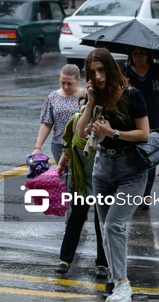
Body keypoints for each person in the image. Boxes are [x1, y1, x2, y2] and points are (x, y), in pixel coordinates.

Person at [77, 48, 150, 302]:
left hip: (132, 170)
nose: (97, 76)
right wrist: (90, 101)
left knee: (114, 225)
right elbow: (81, 134)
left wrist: (113, 133)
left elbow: (144, 134)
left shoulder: (132, 95)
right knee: (107, 228)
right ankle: (115, 278)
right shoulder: (97, 97)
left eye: (101, 70)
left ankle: (122, 283)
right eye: (92, 72)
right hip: (103, 170)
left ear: (110, 68)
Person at [54, 98, 108, 279]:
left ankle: (103, 263)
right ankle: (64, 260)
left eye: (91, 106)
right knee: (76, 218)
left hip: (103, 181)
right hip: (79, 179)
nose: (87, 109)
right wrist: (60, 168)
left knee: (101, 223)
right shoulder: (76, 120)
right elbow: (67, 146)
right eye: (84, 106)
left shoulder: (105, 124)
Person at [125, 46, 159, 210]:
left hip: (156, 122)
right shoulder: (125, 72)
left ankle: (145, 195)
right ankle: (134, 192)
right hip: (132, 124)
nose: (138, 57)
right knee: (133, 160)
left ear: (149, 54)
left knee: (150, 160)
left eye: (141, 53)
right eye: (134, 53)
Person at [32, 64, 84, 164]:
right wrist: (38, 147)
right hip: (59, 145)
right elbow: (47, 123)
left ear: (78, 80)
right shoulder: (53, 97)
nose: (65, 86)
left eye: (70, 83)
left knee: (77, 177)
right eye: (62, 83)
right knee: (62, 176)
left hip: (80, 145)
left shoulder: (86, 96)